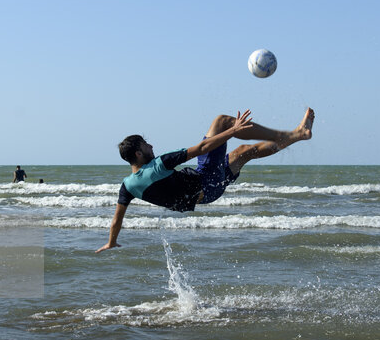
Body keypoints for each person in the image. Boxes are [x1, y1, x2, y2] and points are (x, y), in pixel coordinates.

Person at [96, 107, 315, 253]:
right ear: (138, 154)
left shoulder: (128, 186)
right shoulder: (158, 165)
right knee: (222, 121)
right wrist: (233, 130)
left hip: (209, 194)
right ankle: (286, 134)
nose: (151, 146)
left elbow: (116, 220)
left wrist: (111, 242)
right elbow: (201, 148)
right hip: (206, 179)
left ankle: (299, 136)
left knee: (245, 151)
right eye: (146, 145)